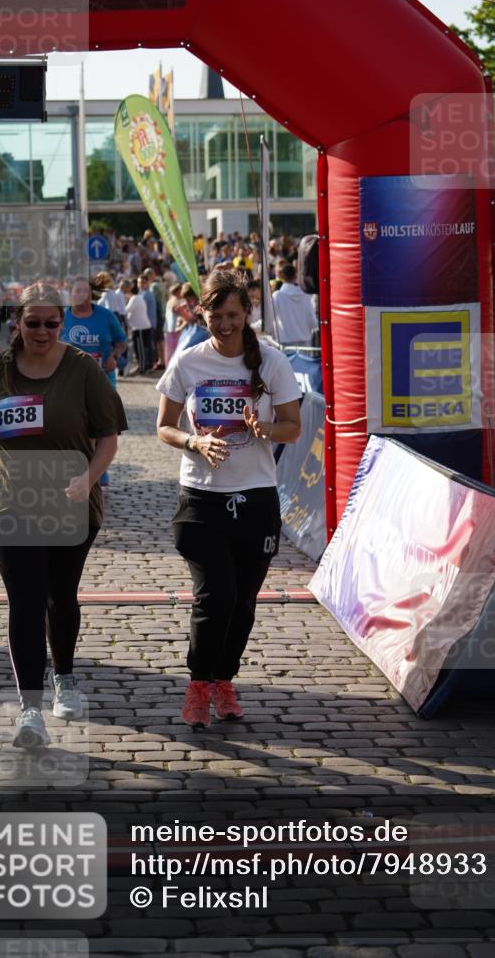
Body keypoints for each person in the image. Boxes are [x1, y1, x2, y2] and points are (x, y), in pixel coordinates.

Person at [0, 284, 127, 749]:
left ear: (63, 323)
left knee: (59, 596)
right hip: (7, 501)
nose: (42, 331)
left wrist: (88, 479)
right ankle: (30, 711)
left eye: (51, 323)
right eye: (33, 323)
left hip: (71, 502)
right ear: (17, 323)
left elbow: (108, 439)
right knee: (26, 599)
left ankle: (63, 677)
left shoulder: (84, 371)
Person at [156, 269, 302, 729]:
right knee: (215, 595)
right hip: (201, 499)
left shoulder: (271, 362)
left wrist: (265, 429)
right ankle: (198, 685)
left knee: (243, 602)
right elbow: (164, 427)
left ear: (247, 314)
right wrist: (194, 442)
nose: (224, 324)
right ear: (202, 313)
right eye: (216, 315)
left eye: (233, 316)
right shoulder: (188, 362)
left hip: (255, 497)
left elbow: (293, 427)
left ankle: (224, 680)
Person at [61, 275, 127, 387]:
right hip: (71, 380)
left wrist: (114, 357)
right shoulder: (61, 317)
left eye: (86, 291)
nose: (82, 294)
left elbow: (121, 341)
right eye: (78, 291)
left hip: (103, 378)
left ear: (91, 294)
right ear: (70, 293)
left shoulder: (107, 316)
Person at [271, 263, 317, 345]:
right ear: (296, 276)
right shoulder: (306, 295)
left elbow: (270, 318)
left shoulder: (277, 296)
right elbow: (312, 321)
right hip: (305, 342)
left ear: (282, 277)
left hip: (285, 343)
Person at [124, 280, 153, 374]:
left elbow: (125, 310)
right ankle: (144, 366)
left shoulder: (134, 299)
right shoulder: (139, 298)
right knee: (144, 348)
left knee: (140, 349)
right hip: (143, 326)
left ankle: (142, 368)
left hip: (140, 328)